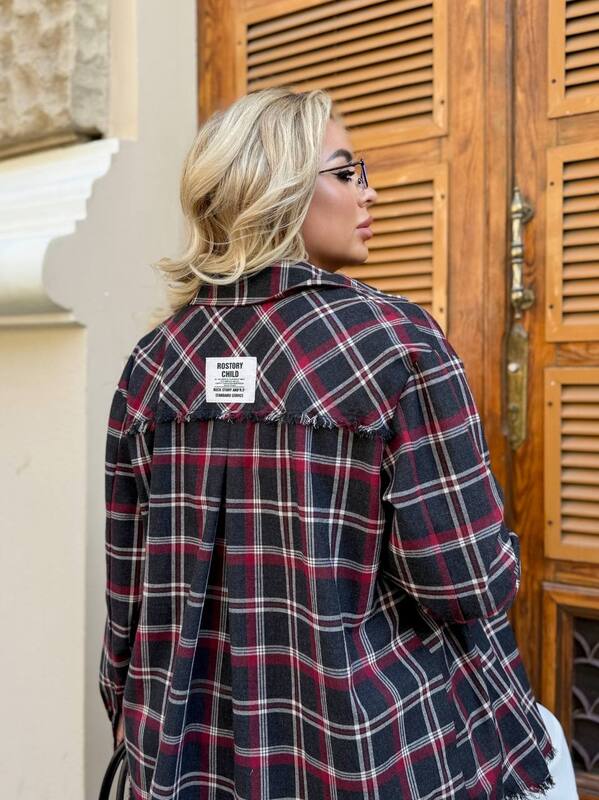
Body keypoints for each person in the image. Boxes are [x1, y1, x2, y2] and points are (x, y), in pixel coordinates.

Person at [99, 87, 577, 799]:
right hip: (367, 750)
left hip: (189, 756)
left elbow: (128, 599)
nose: (370, 192)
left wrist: (133, 721)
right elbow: (466, 581)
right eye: (347, 171)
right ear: (279, 187)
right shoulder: (394, 342)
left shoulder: (152, 364)